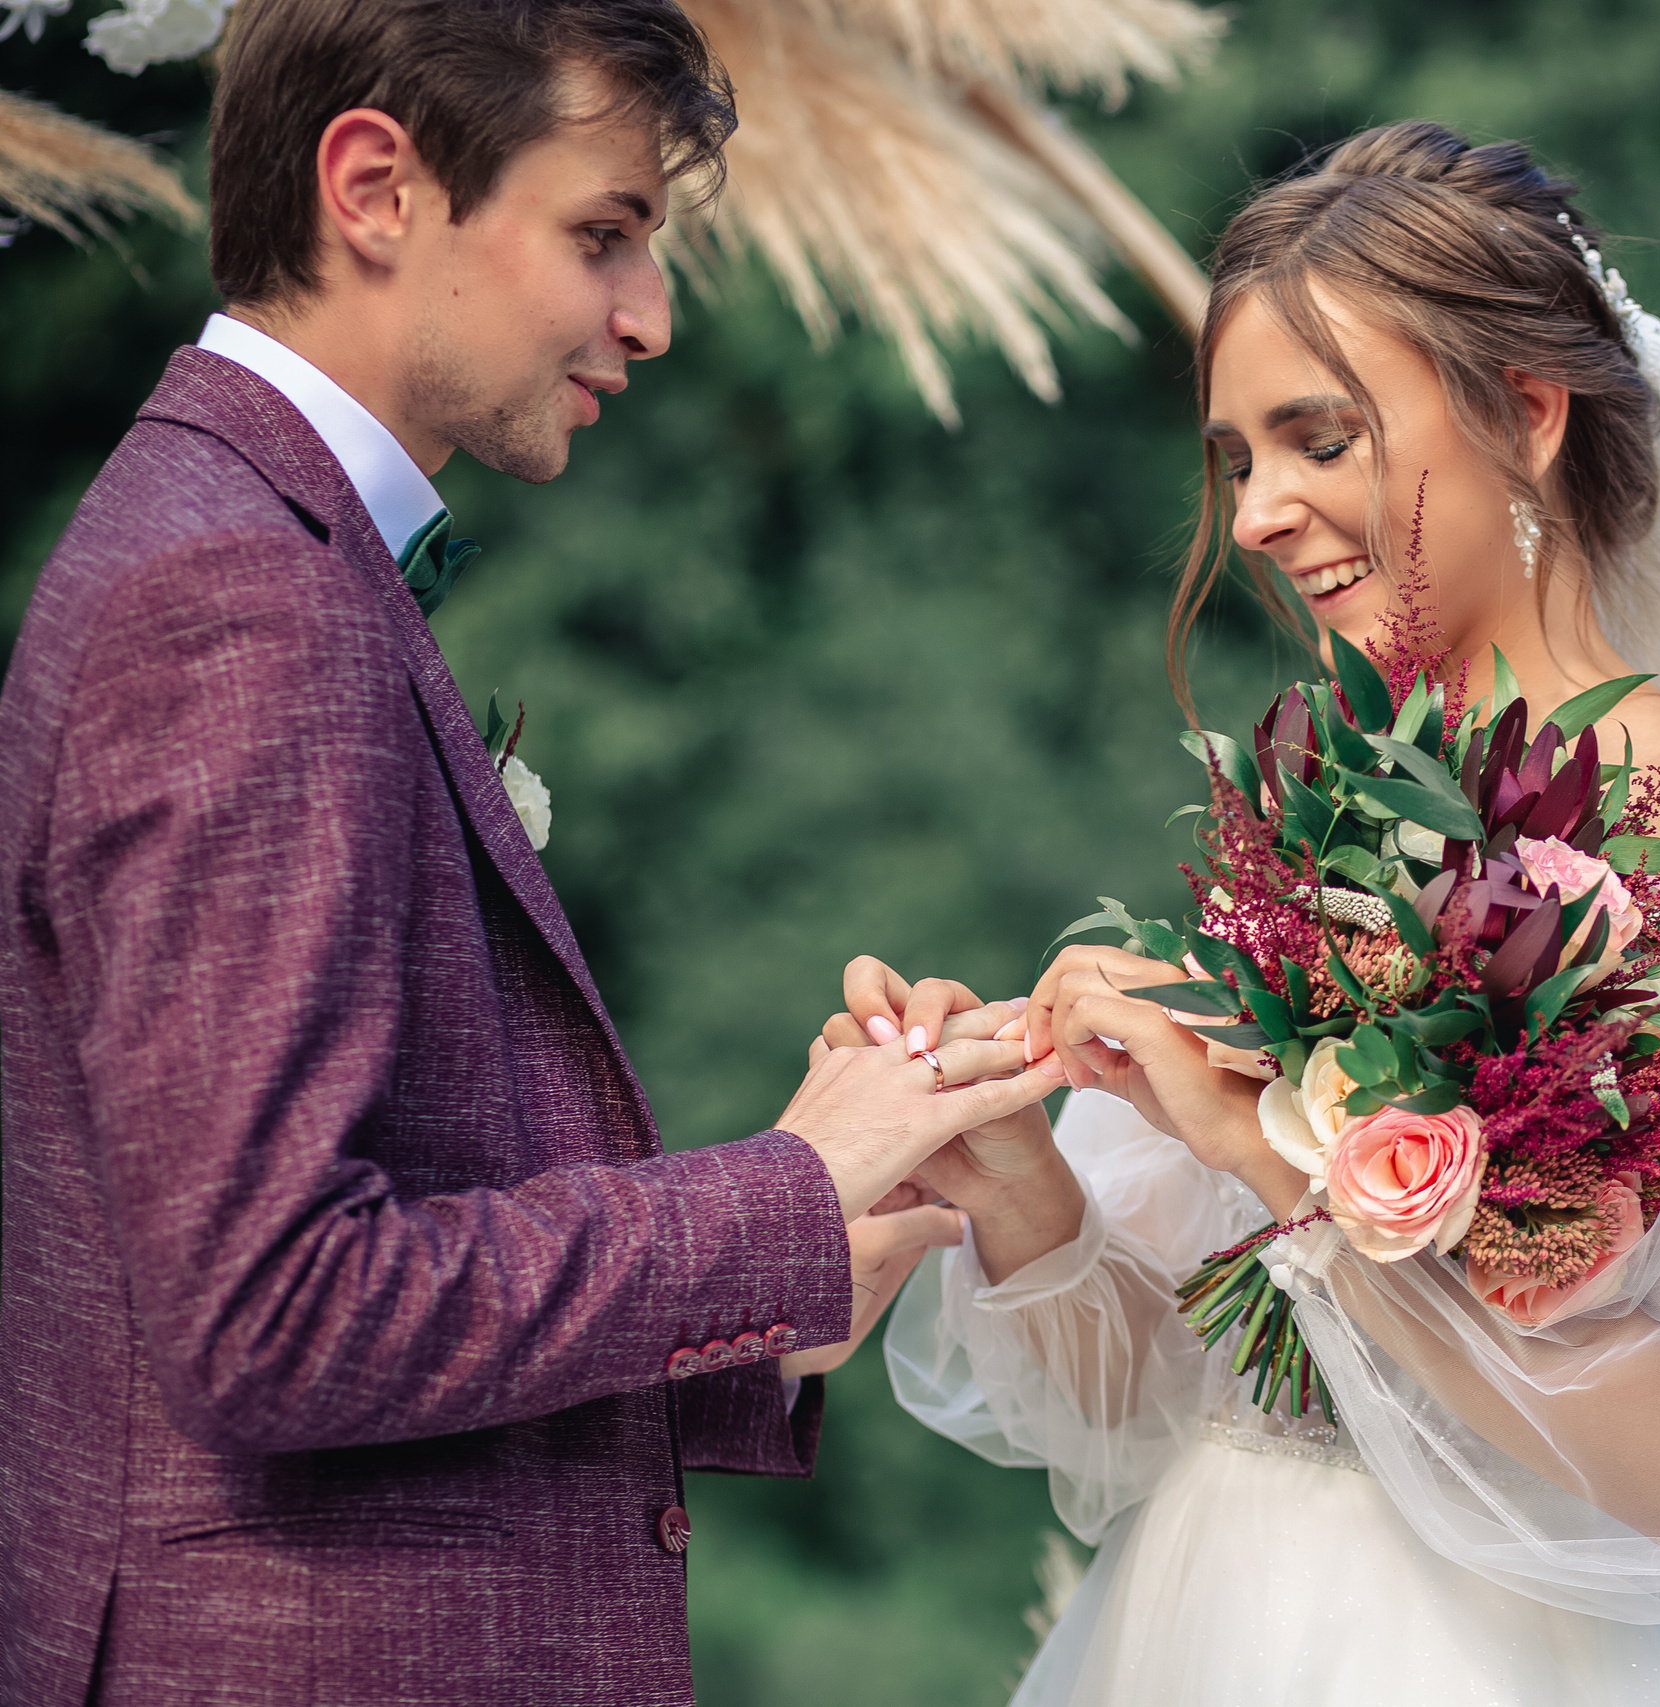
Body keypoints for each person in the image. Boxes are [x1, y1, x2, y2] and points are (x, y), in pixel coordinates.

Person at [0, 1, 1060, 1701]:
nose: (647, 319)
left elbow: (330, 1256)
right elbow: (273, 1315)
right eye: (602, 236)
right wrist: (776, 1194)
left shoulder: (262, 550)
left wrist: (768, 1302)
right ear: (374, 185)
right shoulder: (236, 601)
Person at [854, 122, 1660, 1705]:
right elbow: (1154, 1405)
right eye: (1238, 459)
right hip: (1192, 1625)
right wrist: (1022, 1180)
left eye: (1319, 438)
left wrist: (1267, 1154)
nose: (1257, 517)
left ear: (1527, 411)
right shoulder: (1318, 807)